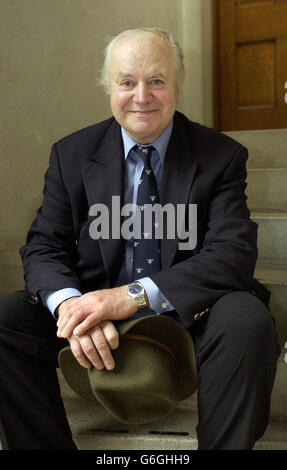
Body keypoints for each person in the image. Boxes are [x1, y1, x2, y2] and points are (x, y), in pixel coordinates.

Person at [0, 27, 280, 450]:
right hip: (95, 306)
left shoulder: (221, 156)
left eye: (157, 81)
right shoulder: (71, 154)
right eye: (127, 82)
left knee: (248, 319)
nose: (142, 96)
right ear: (109, 88)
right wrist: (72, 306)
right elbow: (43, 246)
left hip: (190, 312)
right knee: (5, 319)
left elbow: (231, 255)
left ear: (178, 87)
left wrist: (130, 296)